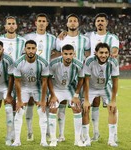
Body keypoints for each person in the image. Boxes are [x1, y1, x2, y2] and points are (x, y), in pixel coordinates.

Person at [85, 13, 119, 142]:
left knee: (112, 105)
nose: (100, 22)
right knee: (94, 103)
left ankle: (114, 134)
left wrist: (106, 56)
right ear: (95, 23)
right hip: (93, 74)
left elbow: (114, 51)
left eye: (102, 21)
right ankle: (96, 133)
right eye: (98, 20)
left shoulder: (112, 37)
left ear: (106, 23)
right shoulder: (89, 36)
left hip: (107, 76)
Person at [23, 13, 58, 141]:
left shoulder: (53, 39)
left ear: (47, 24)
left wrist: (49, 61)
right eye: (40, 21)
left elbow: (59, 52)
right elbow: (24, 53)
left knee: (47, 103)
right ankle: (29, 132)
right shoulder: (28, 37)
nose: (42, 23)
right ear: (35, 23)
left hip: (46, 74)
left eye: (44, 21)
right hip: (30, 73)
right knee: (30, 102)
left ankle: (48, 132)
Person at [56, 14, 90, 142]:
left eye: (75, 21)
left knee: (79, 106)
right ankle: (60, 134)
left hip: (79, 76)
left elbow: (87, 54)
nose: (72, 23)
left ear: (78, 23)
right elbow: (55, 53)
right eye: (70, 21)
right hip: (64, 76)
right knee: (62, 105)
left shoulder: (85, 40)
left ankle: (81, 136)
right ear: (66, 23)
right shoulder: (60, 39)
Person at [11, 40, 49, 147]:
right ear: (25, 49)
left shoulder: (43, 62)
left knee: (42, 112)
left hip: (37, 88)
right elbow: (17, 83)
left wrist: (42, 100)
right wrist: (19, 100)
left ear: (36, 49)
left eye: (33, 48)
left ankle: (43, 140)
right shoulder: (18, 63)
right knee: (19, 112)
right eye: (29, 48)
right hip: (24, 88)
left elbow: (44, 82)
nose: (31, 51)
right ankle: (17, 140)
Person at [0, 16, 26, 145]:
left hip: (16, 77)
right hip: (0, 77)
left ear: (16, 26)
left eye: (13, 23)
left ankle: (12, 134)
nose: (11, 26)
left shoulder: (23, 41)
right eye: (9, 24)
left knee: (13, 106)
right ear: (5, 26)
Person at [48, 44, 86, 147]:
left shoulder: (79, 64)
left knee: (77, 109)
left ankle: (78, 140)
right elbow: (49, 79)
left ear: (74, 54)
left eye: (70, 54)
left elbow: (81, 79)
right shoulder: (54, 63)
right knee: (52, 108)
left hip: (70, 89)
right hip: (56, 90)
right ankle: (53, 139)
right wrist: (52, 95)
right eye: (66, 54)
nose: (68, 56)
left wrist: (76, 95)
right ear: (61, 54)